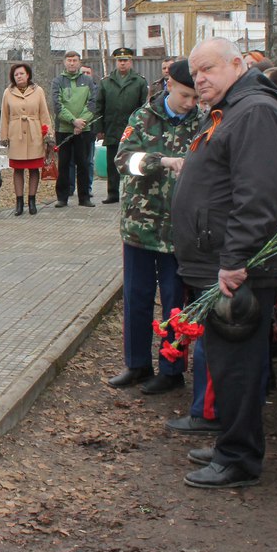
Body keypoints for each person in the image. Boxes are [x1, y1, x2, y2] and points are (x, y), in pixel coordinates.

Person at [171, 37, 277, 490]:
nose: (199, 78)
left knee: (238, 365)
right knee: (225, 363)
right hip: (215, 259)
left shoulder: (255, 110)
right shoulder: (231, 108)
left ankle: (239, 458)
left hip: (235, 267)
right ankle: (232, 441)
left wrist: (235, 261)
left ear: (238, 64)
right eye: (194, 72)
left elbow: (257, 198)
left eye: (208, 69)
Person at [108, 61, 203, 393]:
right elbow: (124, 159)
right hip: (140, 225)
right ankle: (136, 364)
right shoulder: (142, 117)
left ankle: (171, 368)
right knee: (137, 296)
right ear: (169, 85)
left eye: (195, 97)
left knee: (176, 302)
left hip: (179, 231)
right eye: (184, 95)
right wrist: (159, 161)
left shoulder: (203, 123)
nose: (190, 103)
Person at [0, 63, 53, 216]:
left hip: (34, 133)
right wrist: (4, 137)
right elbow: (4, 116)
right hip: (16, 134)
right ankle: (19, 202)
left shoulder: (38, 91)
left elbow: (44, 113)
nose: (19, 76)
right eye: (16, 75)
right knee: (18, 169)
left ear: (28, 75)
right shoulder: (8, 93)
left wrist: (48, 135)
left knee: (34, 168)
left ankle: (32, 200)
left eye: (22, 73)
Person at [95, 48, 148, 205]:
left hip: (132, 130)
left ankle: (133, 192)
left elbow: (144, 108)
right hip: (112, 127)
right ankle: (112, 193)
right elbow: (99, 107)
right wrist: (99, 129)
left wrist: (142, 129)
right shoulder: (106, 82)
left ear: (130, 62)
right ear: (116, 62)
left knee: (133, 162)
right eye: (120, 60)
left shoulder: (139, 82)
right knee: (112, 163)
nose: (122, 63)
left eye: (125, 60)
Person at [52, 52, 98, 208]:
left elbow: (92, 103)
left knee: (83, 164)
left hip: (84, 130)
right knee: (64, 164)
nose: (72, 63)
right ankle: (62, 198)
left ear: (79, 63)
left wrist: (81, 123)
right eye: (69, 60)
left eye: (75, 61)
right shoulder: (58, 81)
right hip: (63, 129)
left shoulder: (88, 81)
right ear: (64, 62)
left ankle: (84, 197)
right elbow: (57, 105)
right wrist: (73, 121)